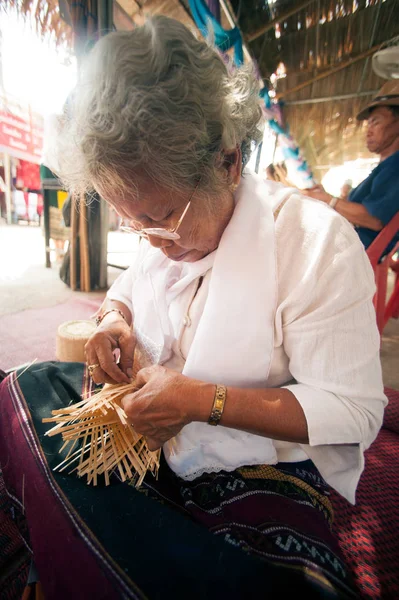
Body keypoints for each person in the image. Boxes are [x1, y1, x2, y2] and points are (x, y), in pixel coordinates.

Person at [0, 16, 386, 600]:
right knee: (17, 393)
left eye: (158, 218)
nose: (150, 239)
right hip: (142, 439)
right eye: (131, 222)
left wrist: (204, 402)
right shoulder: (168, 225)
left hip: (248, 472)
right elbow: (135, 280)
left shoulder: (314, 243)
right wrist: (113, 319)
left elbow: (354, 412)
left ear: (229, 162)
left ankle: (77, 545)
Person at [307, 81, 399, 255]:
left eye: (376, 122)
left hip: (351, 252)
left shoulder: (395, 166)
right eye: (368, 124)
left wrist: (328, 200)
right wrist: (327, 197)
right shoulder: (386, 167)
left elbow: (374, 219)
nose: (368, 131)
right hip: (348, 245)